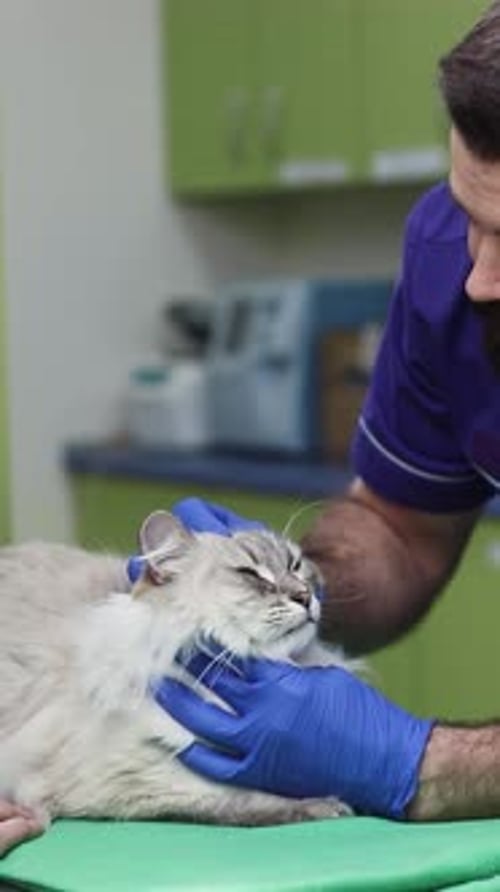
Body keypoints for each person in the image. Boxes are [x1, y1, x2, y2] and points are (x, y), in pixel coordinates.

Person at [151, 2, 500, 821]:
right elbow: (402, 529)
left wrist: (426, 765)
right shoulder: (448, 261)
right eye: (473, 218)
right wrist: (283, 587)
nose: (479, 278)